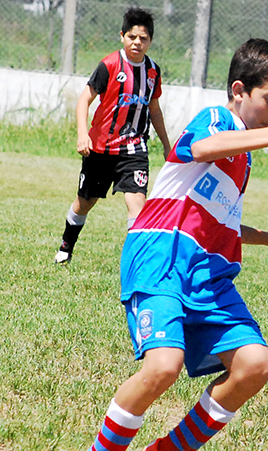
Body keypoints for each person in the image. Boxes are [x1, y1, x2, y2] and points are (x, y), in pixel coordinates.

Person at [70, 38, 268, 451]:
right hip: (161, 257)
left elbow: (219, 224)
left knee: (254, 365)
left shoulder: (241, 158)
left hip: (209, 274)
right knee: (163, 365)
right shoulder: (216, 120)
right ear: (239, 90)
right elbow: (203, 147)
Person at [54, 7, 171, 264]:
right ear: (122, 36)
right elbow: (84, 100)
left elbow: (154, 109)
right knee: (85, 202)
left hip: (134, 150)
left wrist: (166, 144)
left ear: (150, 41)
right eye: (132, 37)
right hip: (100, 149)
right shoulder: (109, 65)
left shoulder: (153, 72)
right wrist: (82, 134)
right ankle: (65, 247)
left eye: (143, 39)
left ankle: (134, 265)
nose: (137, 43)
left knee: (137, 206)